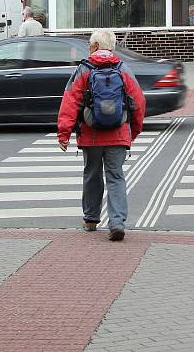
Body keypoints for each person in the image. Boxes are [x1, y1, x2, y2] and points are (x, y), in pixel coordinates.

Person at [57, 29, 145, 241]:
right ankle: (116, 223)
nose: (88, 47)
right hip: (118, 133)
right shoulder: (123, 69)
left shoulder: (84, 69)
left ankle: (91, 219)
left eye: (90, 44)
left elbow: (70, 101)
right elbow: (138, 101)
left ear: (96, 46)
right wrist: (133, 130)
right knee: (116, 177)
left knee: (92, 175)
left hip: (91, 134)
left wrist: (64, 133)